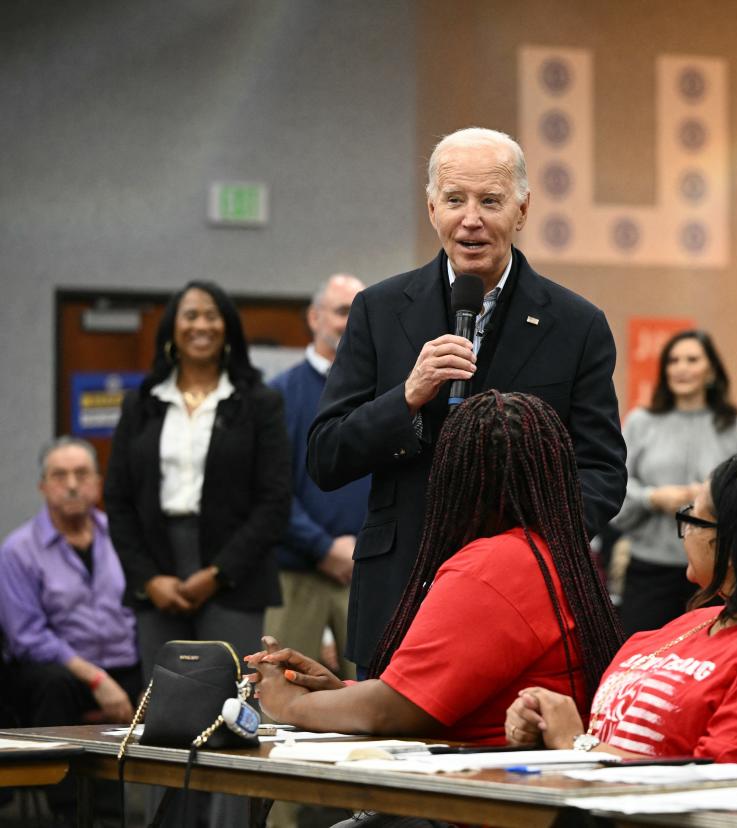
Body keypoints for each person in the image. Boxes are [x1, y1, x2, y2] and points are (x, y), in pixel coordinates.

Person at [307, 127, 627, 676]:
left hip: (519, 599)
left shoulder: (577, 325)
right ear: (432, 209)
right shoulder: (379, 310)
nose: (471, 219)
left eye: (491, 201)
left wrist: (534, 552)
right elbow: (326, 455)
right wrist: (406, 397)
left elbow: (600, 470)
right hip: (399, 591)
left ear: (522, 210)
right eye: (455, 200)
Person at [250, 392, 624, 747]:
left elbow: (393, 711)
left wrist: (287, 705)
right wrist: (340, 694)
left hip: (482, 795)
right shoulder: (553, 553)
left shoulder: (494, 565)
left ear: (454, 478)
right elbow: (427, 697)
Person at [505, 452, 737, 768]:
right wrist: (546, 727)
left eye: (694, 517)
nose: (685, 531)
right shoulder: (681, 627)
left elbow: (722, 786)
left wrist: (575, 746)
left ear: (735, 542)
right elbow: (617, 742)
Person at [104, 280, 290, 827]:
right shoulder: (141, 403)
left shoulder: (259, 403)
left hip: (234, 576)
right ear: (172, 329)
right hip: (156, 577)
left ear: (228, 328)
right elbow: (116, 500)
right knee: (161, 719)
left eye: (212, 316)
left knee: (229, 716)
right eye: (189, 316)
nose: (201, 325)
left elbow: (275, 501)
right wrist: (149, 579)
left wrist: (217, 573)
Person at [0, 437, 141, 821]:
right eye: (60, 475)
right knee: (52, 683)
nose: (73, 484)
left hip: (122, 663)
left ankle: (137, 814)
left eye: (82, 474)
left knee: (174, 677)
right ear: (43, 486)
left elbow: (140, 611)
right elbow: (27, 636)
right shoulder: (18, 550)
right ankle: (70, 815)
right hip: (59, 674)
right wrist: (96, 679)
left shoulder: (122, 538)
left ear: (97, 483)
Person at [611, 330, 737, 635]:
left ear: (711, 370)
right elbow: (616, 483)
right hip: (650, 568)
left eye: (692, 359)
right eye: (673, 360)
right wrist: (653, 497)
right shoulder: (641, 421)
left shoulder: (733, 427)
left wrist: (710, 497)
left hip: (714, 574)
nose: (681, 368)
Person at [266, 273, 368, 681]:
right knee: (280, 698)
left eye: (358, 313)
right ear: (314, 317)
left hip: (366, 574)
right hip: (297, 576)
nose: (350, 323)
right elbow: (271, 491)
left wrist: (363, 546)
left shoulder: (386, 392)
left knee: (373, 701)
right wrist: (324, 547)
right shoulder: (280, 394)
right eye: (342, 311)